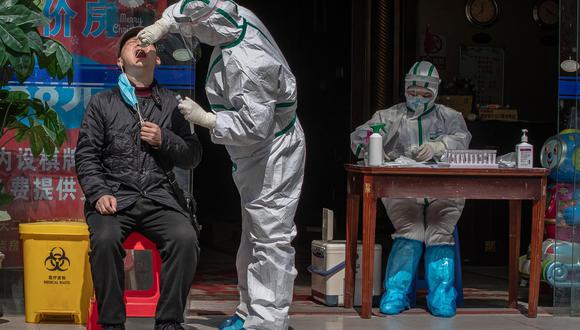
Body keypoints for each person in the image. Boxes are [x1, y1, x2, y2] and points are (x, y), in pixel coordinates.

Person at [138, 1, 306, 329]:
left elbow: (254, 127)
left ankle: (268, 322)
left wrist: (209, 120)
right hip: (252, 155)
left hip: (272, 153)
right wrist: (165, 24)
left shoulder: (252, 63)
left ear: (212, 27)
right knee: (253, 234)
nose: (193, 35)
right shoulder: (234, 17)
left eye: (195, 30)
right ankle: (248, 312)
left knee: (270, 239)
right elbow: (198, 5)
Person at [75, 26, 202, 330]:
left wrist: (165, 139)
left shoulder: (174, 105)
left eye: (147, 43)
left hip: (159, 197)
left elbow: (193, 155)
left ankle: (169, 322)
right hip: (116, 197)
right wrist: (99, 192)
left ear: (157, 60)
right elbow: (86, 155)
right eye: (133, 43)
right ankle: (112, 324)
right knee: (105, 240)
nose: (140, 46)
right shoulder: (102, 104)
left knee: (185, 239)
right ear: (120, 61)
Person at [350, 61, 472, 318]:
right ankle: (395, 292)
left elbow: (463, 140)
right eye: (413, 92)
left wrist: (439, 147)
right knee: (411, 230)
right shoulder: (389, 116)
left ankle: (441, 295)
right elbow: (359, 137)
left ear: (435, 93)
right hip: (401, 190)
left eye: (425, 94)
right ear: (406, 89)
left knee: (439, 231)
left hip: (443, 190)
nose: (418, 98)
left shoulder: (450, 117)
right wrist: (376, 146)